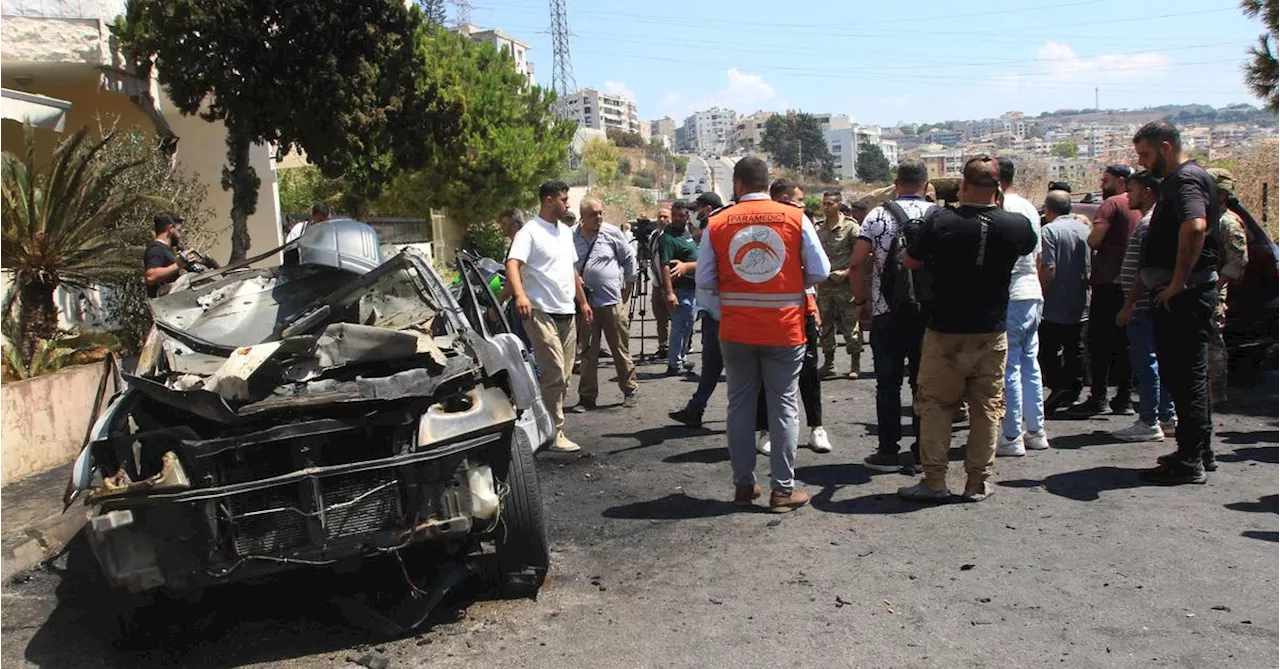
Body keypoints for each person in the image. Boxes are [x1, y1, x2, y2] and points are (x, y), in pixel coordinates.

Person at [898, 156, 1037, 502]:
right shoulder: (1016, 225)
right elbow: (1028, 246)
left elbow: (910, 260)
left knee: (935, 406)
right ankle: (977, 481)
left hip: (945, 329)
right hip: (991, 331)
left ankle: (934, 480)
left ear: (962, 186)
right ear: (999, 189)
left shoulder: (941, 221)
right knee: (987, 408)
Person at [696, 157, 831, 512]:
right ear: (766, 182)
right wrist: (789, 279)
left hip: (737, 328)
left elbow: (706, 280)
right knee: (784, 405)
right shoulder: (794, 216)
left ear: (737, 185)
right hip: (784, 328)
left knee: (739, 405)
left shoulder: (718, 221)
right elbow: (821, 270)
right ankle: (782, 492)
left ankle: (744, 485)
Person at [1132, 121, 1220, 484]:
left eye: (1145, 154)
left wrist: (1178, 282)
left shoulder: (1184, 180)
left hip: (1184, 296)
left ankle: (1190, 460)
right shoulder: (1184, 179)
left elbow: (1195, 226)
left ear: (1165, 147)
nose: (1142, 161)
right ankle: (1199, 450)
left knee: (1186, 377)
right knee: (1187, 375)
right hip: (1183, 293)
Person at [849, 161, 936, 473]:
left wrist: (861, 302)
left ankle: (887, 450)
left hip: (887, 311)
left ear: (896, 183)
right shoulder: (937, 216)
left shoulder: (877, 216)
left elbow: (857, 263)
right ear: (925, 185)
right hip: (928, 315)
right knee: (923, 385)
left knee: (887, 384)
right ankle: (922, 449)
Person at [506, 181, 594, 453]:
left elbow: (572, 271)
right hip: (540, 311)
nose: (568, 204)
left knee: (564, 376)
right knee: (554, 371)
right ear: (548, 200)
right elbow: (512, 264)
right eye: (564, 199)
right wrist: (520, 296)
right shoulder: (529, 232)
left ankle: (537, 422)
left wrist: (583, 301)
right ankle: (553, 432)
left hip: (567, 311)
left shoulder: (565, 233)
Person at [1070, 165, 1141, 417]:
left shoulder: (1111, 204)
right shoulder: (1141, 205)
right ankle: (1124, 398)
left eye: (1105, 180)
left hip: (1108, 283)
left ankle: (1098, 396)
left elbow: (1095, 240)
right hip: (1133, 284)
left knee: (1099, 343)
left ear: (1120, 181)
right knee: (1125, 344)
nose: (1102, 184)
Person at [1113, 171, 1177, 442]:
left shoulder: (1150, 224)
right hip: (1146, 304)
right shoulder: (1154, 222)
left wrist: (1128, 304)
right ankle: (1166, 415)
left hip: (1141, 306)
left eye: (1133, 190)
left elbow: (1144, 270)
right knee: (1157, 361)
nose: (1128, 195)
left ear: (1148, 192)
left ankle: (1149, 420)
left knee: (1147, 362)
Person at [996, 158, 1049, 456]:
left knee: (1010, 366)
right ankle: (1036, 430)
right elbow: (1038, 257)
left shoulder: (1004, 209)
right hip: (1032, 291)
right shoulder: (1029, 207)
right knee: (1031, 363)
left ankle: (1012, 435)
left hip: (1012, 292)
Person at [572, 197, 640, 411]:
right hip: (586, 306)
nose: (599, 217)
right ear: (582, 216)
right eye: (594, 214)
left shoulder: (611, 232)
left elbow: (629, 259)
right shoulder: (572, 237)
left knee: (620, 350)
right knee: (588, 353)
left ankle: (630, 390)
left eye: (601, 212)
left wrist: (627, 289)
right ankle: (587, 397)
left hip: (611, 302)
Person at [669, 192, 725, 428]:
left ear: (709, 208)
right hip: (713, 309)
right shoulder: (709, 230)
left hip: (720, 309)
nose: (695, 214)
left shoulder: (718, 229)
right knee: (712, 364)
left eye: (698, 209)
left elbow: (709, 269)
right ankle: (696, 408)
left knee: (717, 363)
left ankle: (753, 417)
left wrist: (687, 267)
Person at [1038, 191, 1092, 413]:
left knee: (1047, 347)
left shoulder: (1049, 230)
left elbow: (1049, 267)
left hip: (1055, 300)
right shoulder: (1084, 229)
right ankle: (1073, 388)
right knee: (1075, 347)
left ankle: (1058, 386)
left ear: (1048, 209)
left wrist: (1041, 293)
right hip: (1080, 298)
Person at [1205, 168, 1249, 409]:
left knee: (1213, 342)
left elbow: (1238, 260)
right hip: (1202, 286)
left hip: (1213, 289)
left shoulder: (1227, 222)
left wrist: (1217, 283)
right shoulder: (1208, 218)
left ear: (1221, 195)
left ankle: (1216, 394)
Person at [815, 190, 864, 379]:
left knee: (850, 326)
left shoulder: (851, 227)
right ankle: (829, 363)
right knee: (825, 327)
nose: (826, 207)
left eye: (830, 204)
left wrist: (848, 272)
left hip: (845, 285)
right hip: (825, 285)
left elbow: (862, 255)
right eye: (824, 204)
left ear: (839, 204)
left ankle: (855, 364)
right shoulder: (818, 228)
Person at [658, 202, 699, 375]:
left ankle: (681, 357)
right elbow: (664, 266)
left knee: (689, 324)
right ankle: (674, 364)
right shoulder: (668, 237)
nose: (676, 219)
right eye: (674, 215)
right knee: (679, 326)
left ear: (687, 216)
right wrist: (669, 293)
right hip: (679, 290)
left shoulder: (687, 233)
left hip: (692, 288)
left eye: (680, 215)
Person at [143, 212, 193, 298]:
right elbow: (150, 276)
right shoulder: (156, 249)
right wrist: (178, 265)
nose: (179, 235)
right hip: (164, 306)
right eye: (178, 230)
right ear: (170, 228)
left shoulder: (167, 250)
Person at [646, 208, 672, 359]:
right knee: (660, 317)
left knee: (677, 318)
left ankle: (679, 347)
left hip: (672, 283)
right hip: (656, 283)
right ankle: (663, 346)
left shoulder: (674, 236)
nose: (662, 220)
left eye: (665, 217)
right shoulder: (654, 236)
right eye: (660, 217)